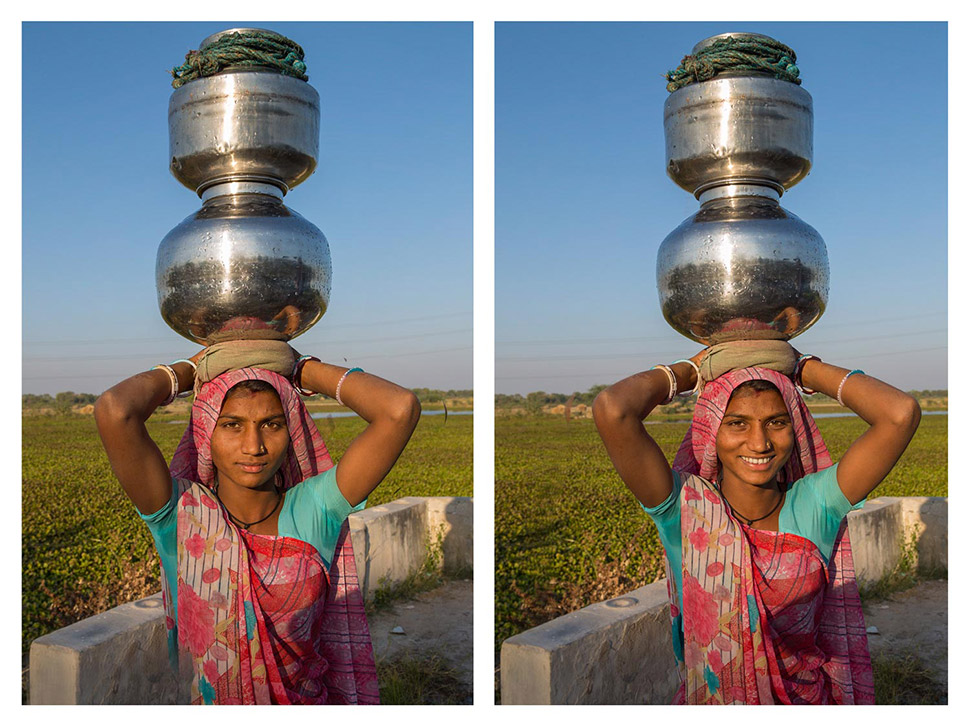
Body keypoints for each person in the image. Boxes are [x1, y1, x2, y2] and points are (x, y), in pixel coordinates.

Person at [593, 343, 920, 704]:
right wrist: (691, 371)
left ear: (794, 430)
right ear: (711, 432)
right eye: (737, 424)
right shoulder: (684, 509)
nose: (760, 442)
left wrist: (801, 369)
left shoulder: (815, 503)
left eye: (776, 422)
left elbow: (900, 414)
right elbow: (614, 410)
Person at [95, 343, 421, 704]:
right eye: (232, 425)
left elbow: (398, 409)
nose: (254, 446)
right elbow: (116, 411)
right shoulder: (181, 515)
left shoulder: (315, 507)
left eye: (271, 424)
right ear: (206, 433)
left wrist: (299, 369)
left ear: (292, 431)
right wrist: (193, 369)